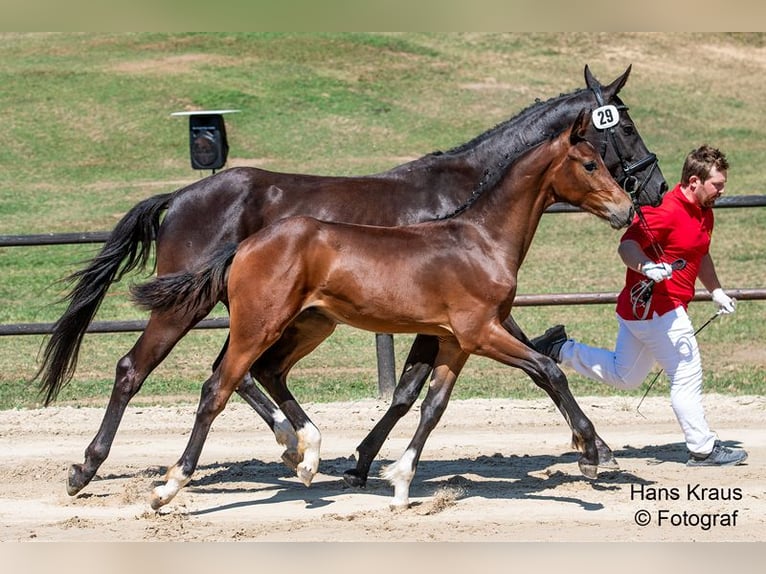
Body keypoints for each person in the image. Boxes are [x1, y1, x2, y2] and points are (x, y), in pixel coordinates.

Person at [532, 144, 747, 467]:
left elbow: (699, 253)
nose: (721, 190)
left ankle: (561, 348)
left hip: (643, 312)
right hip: (661, 309)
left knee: (625, 374)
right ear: (693, 181)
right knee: (686, 374)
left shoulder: (704, 211)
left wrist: (715, 291)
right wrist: (646, 267)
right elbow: (628, 246)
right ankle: (702, 448)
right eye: (717, 184)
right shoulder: (664, 209)